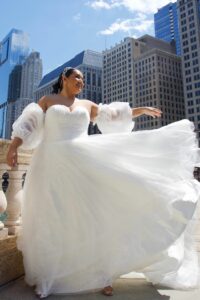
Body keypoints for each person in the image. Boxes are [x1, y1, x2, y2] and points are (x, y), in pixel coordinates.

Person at [6, 67, 200, 298]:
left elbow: (115, 116)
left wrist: (141, 110)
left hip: (83, 164)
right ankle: (50, 277)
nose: (81, 81)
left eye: (83, 79)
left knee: (91, 219)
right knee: (53, 219)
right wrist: (14, 146)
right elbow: (28, 125)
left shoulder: (87, 104)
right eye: (77, 77)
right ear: (64, 78)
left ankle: (101, 276)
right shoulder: (47, 100)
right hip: (50, 165)